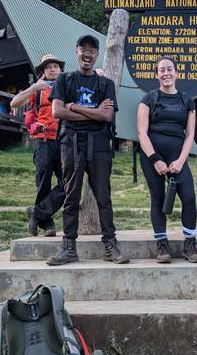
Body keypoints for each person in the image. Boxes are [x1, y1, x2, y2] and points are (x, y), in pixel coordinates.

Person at [46, 34, 128, 266]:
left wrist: (74, 106)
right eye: (84, 49)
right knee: (71, 195)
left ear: (97, 55)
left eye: (92, 50)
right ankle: (69, 246)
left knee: (103, 196)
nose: (88, 54)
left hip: (100, 143)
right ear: (76, 51)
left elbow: (106, 115)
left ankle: (110, 245)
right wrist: (92, 112)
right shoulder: (65, 79)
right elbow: (57, 112)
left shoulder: (106, 84)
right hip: (71, 142)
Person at [137, 57, 197, 263]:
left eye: (169, 69)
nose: (166, 73)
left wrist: (181, 161)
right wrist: (155, 159)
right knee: (158, 198)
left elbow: (190, 134)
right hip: (152, 156)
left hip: (177, 155)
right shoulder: (148, 99)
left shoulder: (187, 100)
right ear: (157, 75)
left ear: (176, 73)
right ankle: (162, 245)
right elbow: (141, 132)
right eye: (162, 70)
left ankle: (190, 245)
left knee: (189, 197)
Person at [10, 54, 65, 237]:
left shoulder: (66, 86)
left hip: (63, 140)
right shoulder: (38, 89)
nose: (52, 69)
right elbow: (14, 103)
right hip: (42, 140)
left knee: (68, 182)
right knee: (43, 182)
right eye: (48, 67)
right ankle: (47, 224)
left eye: (55, 66)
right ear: (43, 71)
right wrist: (33, 87)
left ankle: (37, 213)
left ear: (60, 69)